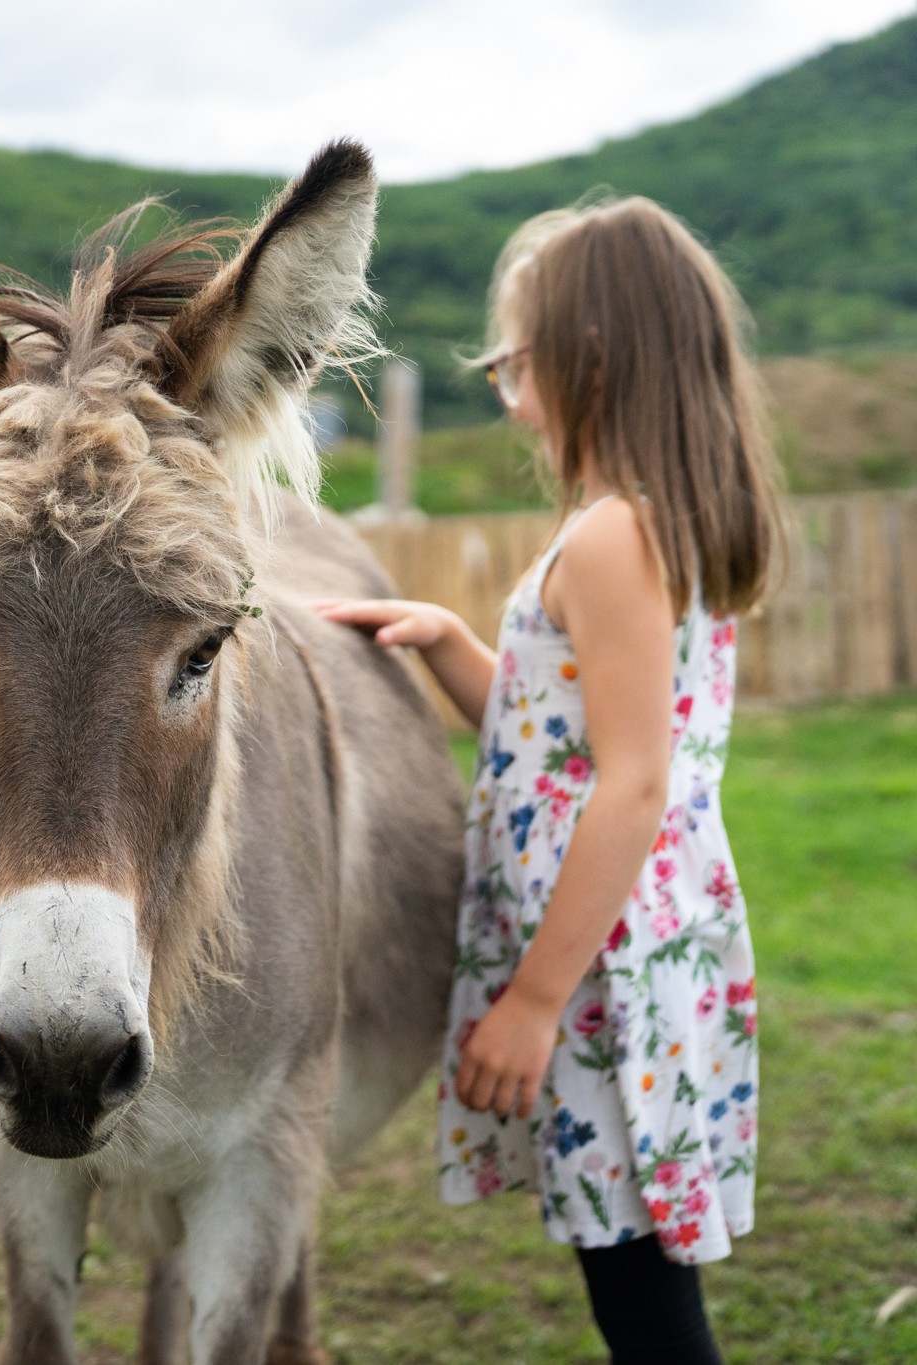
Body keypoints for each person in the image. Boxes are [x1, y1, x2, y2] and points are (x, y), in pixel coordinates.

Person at [317, 198, 782, 1364]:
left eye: (512, 359)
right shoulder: (648, 523)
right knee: (630, 1266)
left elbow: (626, 790)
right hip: (631, 941)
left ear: (588, 359)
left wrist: (528, 1002)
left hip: (595, 966)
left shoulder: (609, 538)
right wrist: (448, 643)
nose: (500, 387)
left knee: (638, 1294)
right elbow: (558, 746)